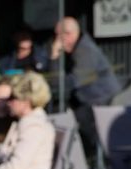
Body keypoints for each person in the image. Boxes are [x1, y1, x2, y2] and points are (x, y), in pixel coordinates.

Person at [50, 16, 121, 159]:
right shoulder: (78, 47)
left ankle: (92, 160)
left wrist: (54, 56)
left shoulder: (85, 50)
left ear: (68, 35)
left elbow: (69, 82)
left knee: (77, 120)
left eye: (58, 36)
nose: (56, 40)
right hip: (89, 96)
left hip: (100, 97)